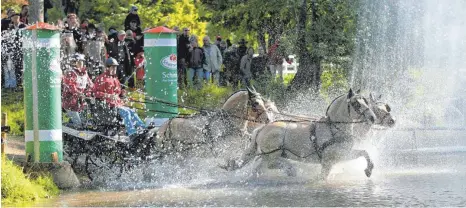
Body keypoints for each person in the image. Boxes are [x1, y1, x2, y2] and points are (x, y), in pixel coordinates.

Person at [93, 58, 146, 137]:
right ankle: (131, 132)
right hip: (109, 106)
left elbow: (118, 92)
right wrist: (108, 95)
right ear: (107, 67)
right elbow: (95, 93)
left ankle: (143, 128)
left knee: (132, 111)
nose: (115, 69)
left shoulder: (115, 78)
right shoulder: (102, 78)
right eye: (113, 67)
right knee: (126, 113)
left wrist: (123, 94)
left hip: (117, 103)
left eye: (115, 67)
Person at [62, 54, 94, 128]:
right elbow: (71, 86)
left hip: (80, 102)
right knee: (78, 125)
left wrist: (89, 92)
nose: (81, 64)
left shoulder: (85, 73)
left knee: (84, 123)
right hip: (70, 102)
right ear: (74, 62)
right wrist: (78, 93)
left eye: (82, 62)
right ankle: (64, 128)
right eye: (79, 62)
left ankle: (72, 126)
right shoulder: (70, 73)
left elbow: (91, 85)